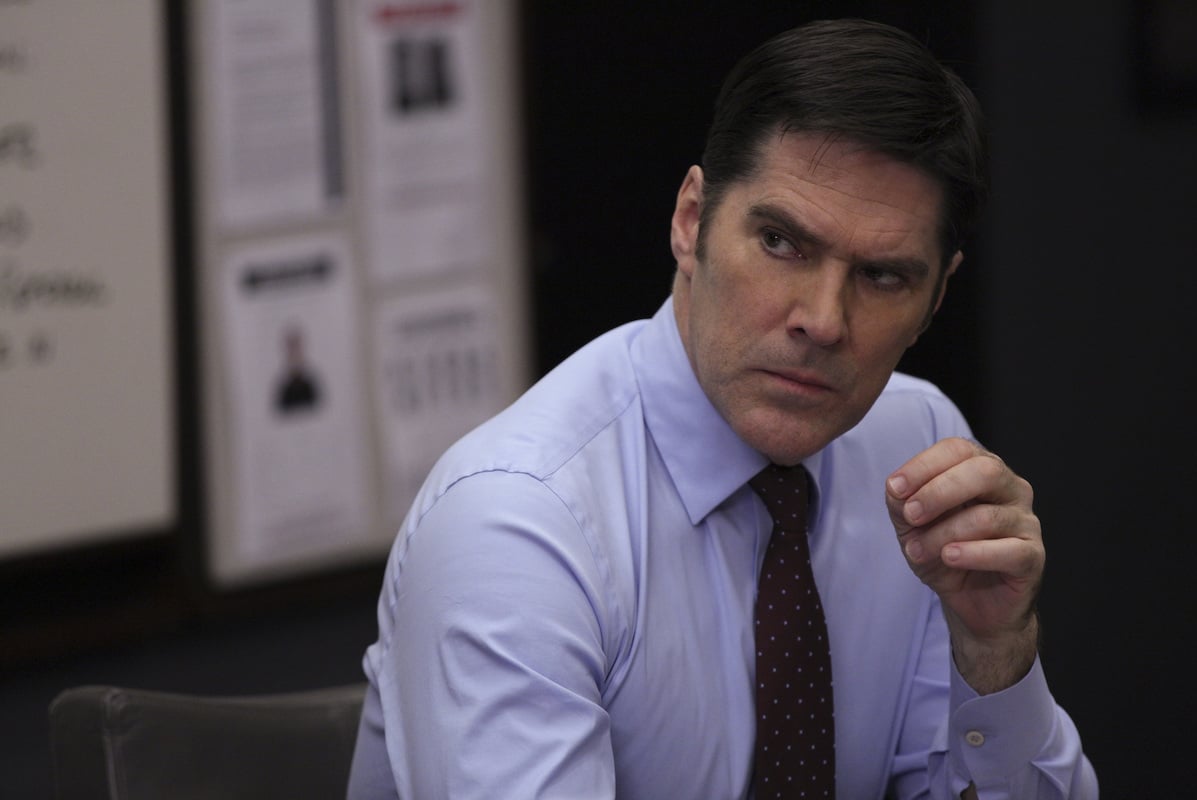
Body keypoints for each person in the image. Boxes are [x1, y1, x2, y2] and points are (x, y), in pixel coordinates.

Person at [347, 18, 1097, 799]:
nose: (823, 321)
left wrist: (995, 654)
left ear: (936, 298)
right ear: (690, 220)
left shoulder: (918, 447)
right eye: (781, 243)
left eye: (882, 277)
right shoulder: (520, 522)